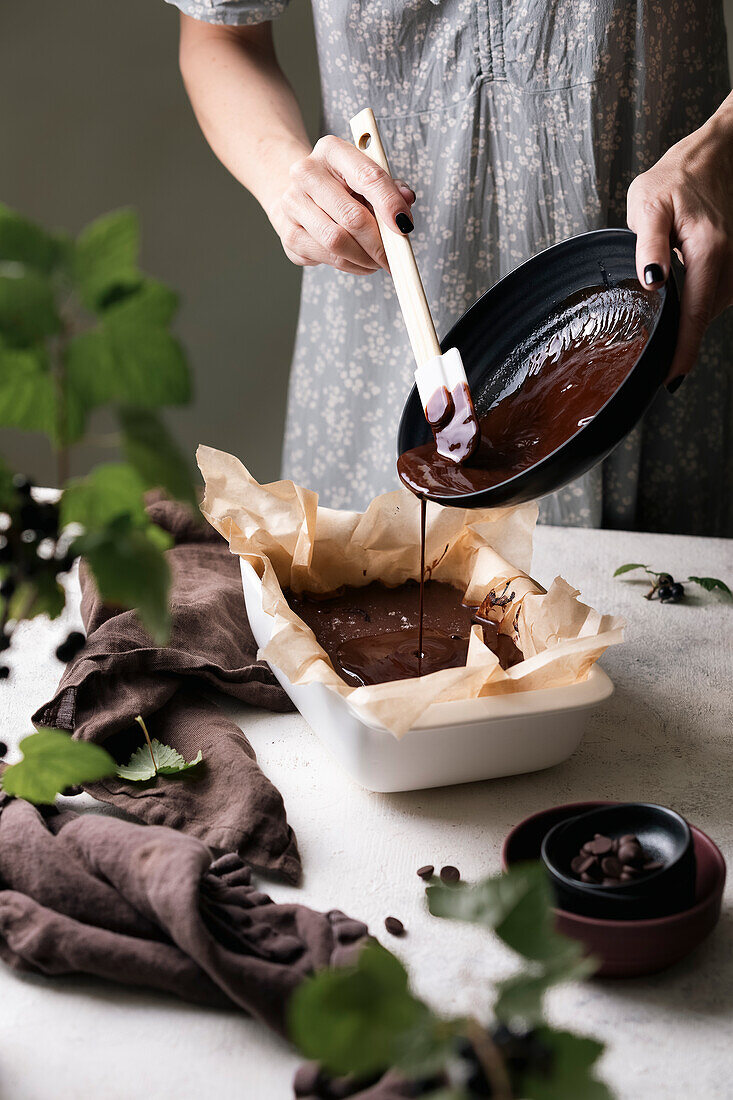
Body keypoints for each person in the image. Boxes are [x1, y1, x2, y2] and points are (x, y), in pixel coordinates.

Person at [172, 0, 732, 536]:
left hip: (667, 302)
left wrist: (722, 144)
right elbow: (219, 34)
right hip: (371, 361)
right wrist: (283, 176)